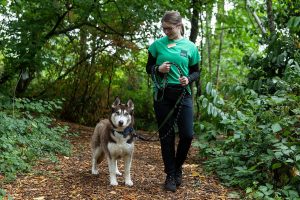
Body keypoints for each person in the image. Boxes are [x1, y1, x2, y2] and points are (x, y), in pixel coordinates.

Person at [146, 11, 200, 192]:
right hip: (162, 95)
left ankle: (178, 168)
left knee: (187, 134)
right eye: (164, 28)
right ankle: (170, 174)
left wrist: (189, 79)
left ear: (179, 26)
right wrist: (158, 68)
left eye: (169, 28)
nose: (166, 31)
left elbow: (196, 71)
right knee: (166, 136)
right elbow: (148, 68)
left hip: (183, 94)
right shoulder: (157, 46)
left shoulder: (191, 47)